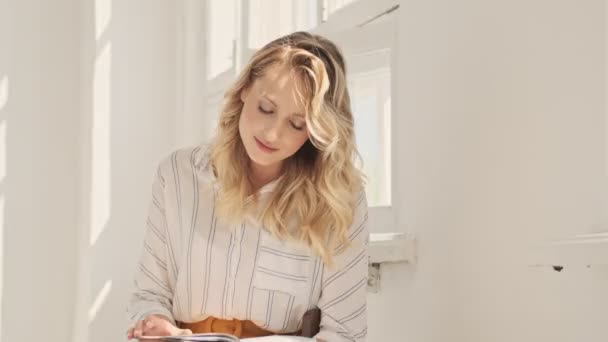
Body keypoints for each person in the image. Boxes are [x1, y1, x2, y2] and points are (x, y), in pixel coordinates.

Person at [126, 31, 369, 342]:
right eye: (266, 108)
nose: (272, 134)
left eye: (296, 124)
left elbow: (345, 335)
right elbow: (149, 293)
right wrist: (155, 322)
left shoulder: (341, 200)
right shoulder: (176, 175)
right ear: (243, 91)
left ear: (316, 133)